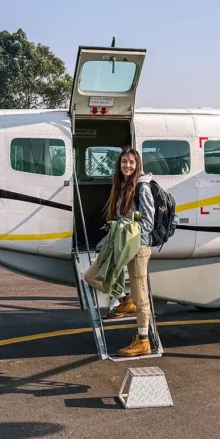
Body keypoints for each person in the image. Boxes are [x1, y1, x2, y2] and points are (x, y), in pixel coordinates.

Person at [83, 147, 155, 357]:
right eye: (124, 161)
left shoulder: (142, 187)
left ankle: (143, 341)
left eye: (132, 162)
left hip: (137, 245)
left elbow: (148, 221)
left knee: (141, 296)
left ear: (137, 164)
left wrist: (130, 234)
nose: (127, 165)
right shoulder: (121, 185)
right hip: (120, 242)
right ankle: (124, 299)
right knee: (91, 275)